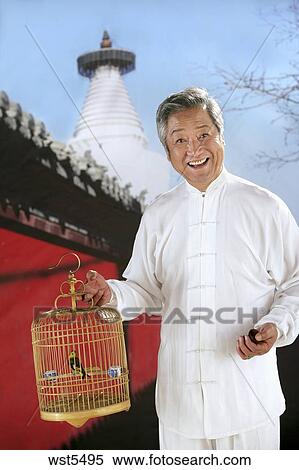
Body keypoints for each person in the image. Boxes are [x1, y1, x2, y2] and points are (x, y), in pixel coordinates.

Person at [84, 87, 299, 450]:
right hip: (179, 408)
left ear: (221, 136)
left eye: (203, 135)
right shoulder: (158, 214)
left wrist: (276, 327)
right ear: (168, 152)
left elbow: (295, 283)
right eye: (179, 140)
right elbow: (144, 289)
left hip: (250, 403)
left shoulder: (265, 207)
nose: (194, 149)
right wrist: (112, 293)